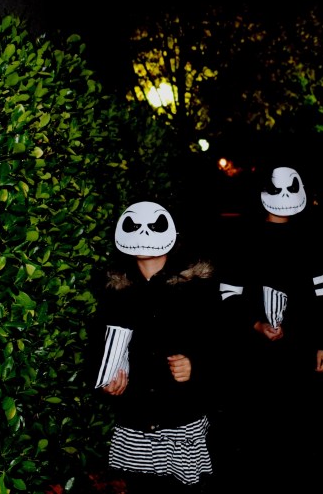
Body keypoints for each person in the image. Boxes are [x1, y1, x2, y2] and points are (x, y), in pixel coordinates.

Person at [216, 165, 323, 494]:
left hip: (300, 355)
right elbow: (228, 293)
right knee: (258, 433)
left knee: (298, 433)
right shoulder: (244, 239)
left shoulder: (310, 240)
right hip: (254, 358)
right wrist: (255, 324)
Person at [91, 200, 221, 494]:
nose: (144, 233)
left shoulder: (196, 288)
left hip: (180, 413)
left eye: (153, 225)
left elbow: (220, 340)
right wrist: (105, 381)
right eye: (135, 226)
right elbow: (102, 345)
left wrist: (196, 364)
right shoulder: (116, 290)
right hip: (136, 416)